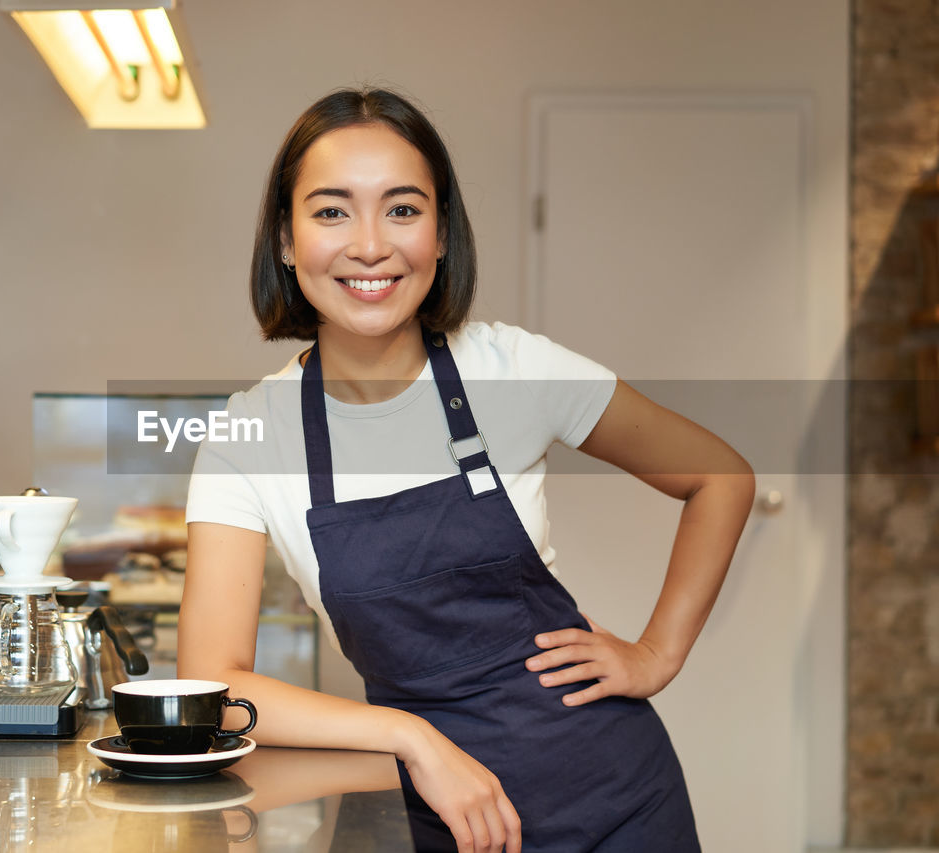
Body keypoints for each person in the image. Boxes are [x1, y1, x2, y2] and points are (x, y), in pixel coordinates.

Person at [178, 87, 754, 853]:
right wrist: (412, 736)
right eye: (331, 211)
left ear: (442, 232)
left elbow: (721, 476)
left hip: (621, 802)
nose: (371, 244)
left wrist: (655, 653)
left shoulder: (513, 368)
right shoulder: (247, 436)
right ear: (285, 239)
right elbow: (213, 688)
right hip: (443, 813)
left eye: (403, 209)